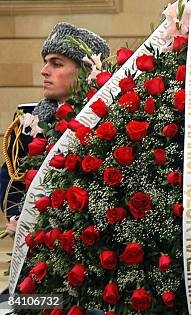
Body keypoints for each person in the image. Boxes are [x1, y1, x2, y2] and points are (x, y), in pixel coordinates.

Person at [0, 22, 109, 224]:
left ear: (86, 72)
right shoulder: (28, 121)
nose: (44, 70)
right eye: (45, 62)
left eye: (56, 64)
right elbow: (10, 187)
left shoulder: (108, 120)